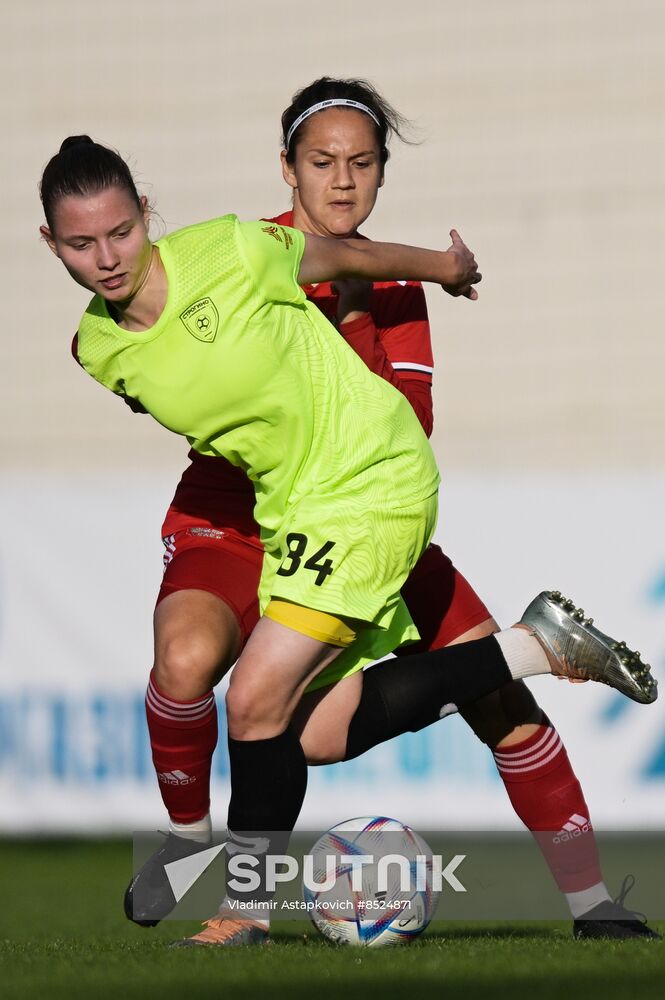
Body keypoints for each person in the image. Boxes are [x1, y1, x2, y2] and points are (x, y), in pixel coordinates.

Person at [39, 125, 656, 947]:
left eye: (360, 164)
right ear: (287, 169)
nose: (107, 256)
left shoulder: (239, 255)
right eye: (82, 244)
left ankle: (249, 913)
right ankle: (190, 844)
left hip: (362, 487)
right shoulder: (101, 345)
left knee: (266, 702)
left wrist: (437, 270)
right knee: (302, 730)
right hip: (277, 506)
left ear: (146, 214)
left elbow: (396, 387)